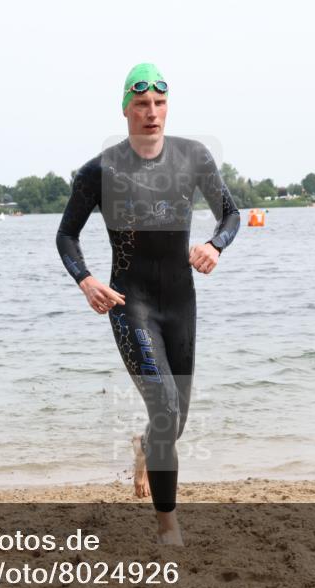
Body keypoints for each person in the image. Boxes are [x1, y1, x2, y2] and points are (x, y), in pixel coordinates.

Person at [55, 63, 240, 545]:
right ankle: (167, 527)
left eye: (159, 104)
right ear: (126, 110)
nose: (151, 113)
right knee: (163, 406)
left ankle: (144, 450)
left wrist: (215, 245)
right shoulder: (100, 170)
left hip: (180, 303)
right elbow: (66, 235)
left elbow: (231, 214)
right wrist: (86, 280)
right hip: (129, 302)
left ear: (167, 108)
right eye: (141, 105)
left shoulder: (193, 157)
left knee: (173, 420)